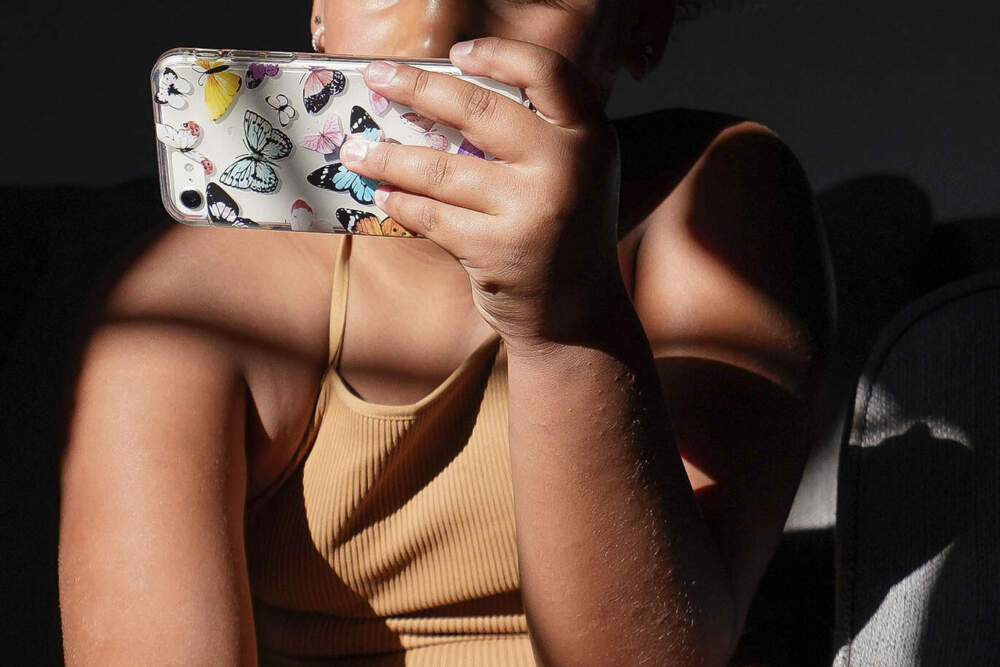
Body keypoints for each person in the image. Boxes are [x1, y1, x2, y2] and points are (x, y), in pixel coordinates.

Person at [58, 0, 834, 664]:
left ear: (643, 23)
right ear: (319, 9)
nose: (439, 31)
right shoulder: (183, 315)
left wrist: (564, 324)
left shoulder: (710, 205)